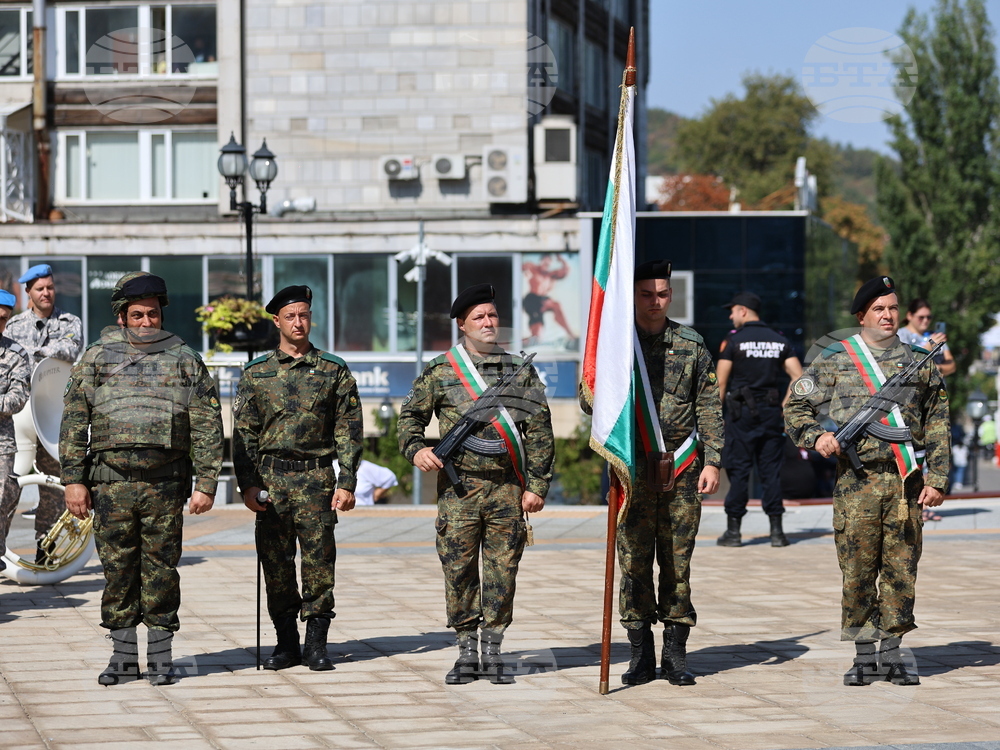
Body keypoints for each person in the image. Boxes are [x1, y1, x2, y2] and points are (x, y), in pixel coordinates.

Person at [785, 276, 950, 687]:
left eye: (893, 307)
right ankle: (863, 657)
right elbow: (796, 406)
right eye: (879, 308)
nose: (888, 315)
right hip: (855, 485)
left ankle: (892, 654)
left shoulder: (918, 361)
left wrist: (939, 477)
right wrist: (817, 436)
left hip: (905, 484)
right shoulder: (835, 359)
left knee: (900, 571)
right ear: (862, 316)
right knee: (857, 572)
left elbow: (938, 423)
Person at [60, 272, 223, 686]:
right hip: (110, 483)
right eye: (137, 315)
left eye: (153, 314)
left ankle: (162, 657)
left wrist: (206, 482)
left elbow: (206, 424)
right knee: (117, 570)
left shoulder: (184, 359)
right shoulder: (96, 359)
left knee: (162, 570)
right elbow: (75, 421)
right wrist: (73, 479)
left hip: (164, 484)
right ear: (122, 318)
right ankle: (123, 659)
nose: (146, 322)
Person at [398, 283, 554, 685]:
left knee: (503, 570)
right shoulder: (440, 370)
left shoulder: (517, 368)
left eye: (492, 315)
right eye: (479, 317)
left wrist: (536, 485)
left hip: (507, 489)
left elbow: (539, 429)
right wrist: (417, 450)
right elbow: (409, 419)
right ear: (461, 324)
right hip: (458, 491)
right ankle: (467, 650)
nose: (488, 322)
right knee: (459, 570)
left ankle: (495, 650)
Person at [585, 259, 723, 687]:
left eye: (662, 294)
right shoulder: (615, 343)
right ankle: (641, 654)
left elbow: (709, 405)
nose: (656, 302)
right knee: (634, 563)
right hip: (632, 472)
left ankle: (676, 654)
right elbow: (590, 400)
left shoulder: (691, 342)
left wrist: (714, 459)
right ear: (633, 296)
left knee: (677, 563)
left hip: (682, 470)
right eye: (647, 294)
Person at [233, 285, 362, 672]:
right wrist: (248, 484)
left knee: (320, 564)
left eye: (304, 315)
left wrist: (347, 480)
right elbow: (244, 434)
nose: (298, 322)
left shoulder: (333, 370)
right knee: (276, 565)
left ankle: (317, 645)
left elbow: (348, 429)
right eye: (290, 316)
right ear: (277, 321)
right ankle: (286, 644)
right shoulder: (256, 374)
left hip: (317, 479)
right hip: (272, 481)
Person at [6, 264, 83, 561]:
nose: (46, 293)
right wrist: (48, 350)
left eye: (50, 287)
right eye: (40, 289)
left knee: (53, 488)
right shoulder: (13, 325)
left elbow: (70, 350)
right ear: (28, 293)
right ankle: (2, 545)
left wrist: (34, 351)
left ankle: (46, 547)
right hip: (21, 415)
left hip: (53, 414)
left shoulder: (69, 321)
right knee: (10, 483)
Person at [716, 291, 804, 548]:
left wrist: (715, 419)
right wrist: (785, 408)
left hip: (740, 416)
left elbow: (720, 383)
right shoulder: (778, 340)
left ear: (743, 310)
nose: (731, 316)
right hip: (770, 415)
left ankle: (733, 533)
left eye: (732, 311)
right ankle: (777, 533)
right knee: (771, 473)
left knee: (739, 471)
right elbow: (798, 377)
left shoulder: (733, 341)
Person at [0, 290, 31, 572]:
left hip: (1, 443)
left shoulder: (16, 354)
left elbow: (17, 398)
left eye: (2, 319)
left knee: (2, 498)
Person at [522, 254, 577, 347]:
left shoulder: (551, 275)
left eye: (548, 263)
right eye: (545, 261)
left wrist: (562, 259)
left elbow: (565, 271)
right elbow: (517, 266)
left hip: (542, 300)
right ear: (541, 261)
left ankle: (571, 336)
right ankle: (519, 343)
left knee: (556, 306)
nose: (546, 264)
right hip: (531, 299)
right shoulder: (533, 268)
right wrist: (525, 271)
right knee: (536, 337)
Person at [898, 298, 956, 377]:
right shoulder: (900, 335)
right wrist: (926, 350)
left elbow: (951, 365)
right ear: (909, 316)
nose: (925, 321)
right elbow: (901, 365)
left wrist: (937, 369)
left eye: (928, 317)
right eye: (921, 317)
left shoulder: (935, 336)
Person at [333, 458, 398, 506]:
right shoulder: (332, 466)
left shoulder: (364, 466)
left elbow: (390, 477)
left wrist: (376, 496)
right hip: (339, 515)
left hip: (364, 512)